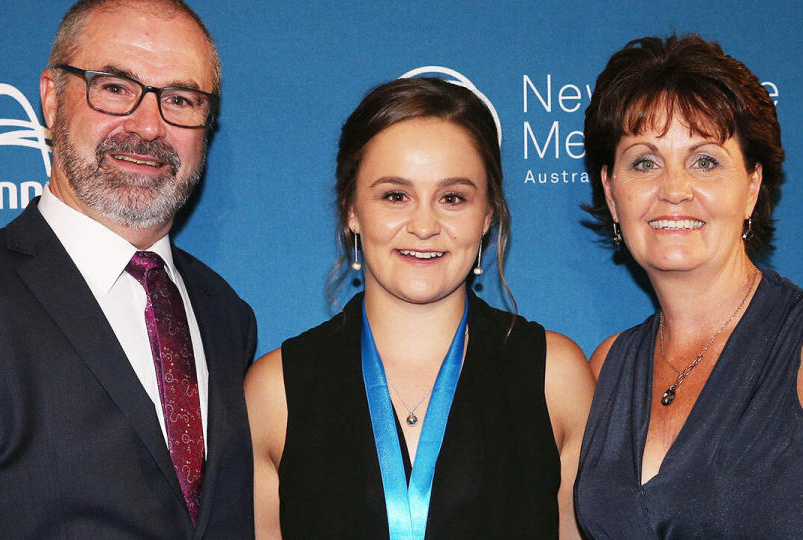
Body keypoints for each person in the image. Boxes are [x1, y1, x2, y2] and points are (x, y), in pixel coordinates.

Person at [0, 0, 257, 537]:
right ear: (53, 100)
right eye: (115, 88)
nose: (149, 125)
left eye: (180, 98)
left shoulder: (226, 315)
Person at [245, 77, 595, 539]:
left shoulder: (556, 376)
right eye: (395, 195)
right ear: (351, 208)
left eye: (453, 198)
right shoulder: (276, 391)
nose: (424, 225)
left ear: (487, 214)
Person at [574, 34, 803, 538]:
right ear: (612, 194)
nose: (673, 189)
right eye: (644, 162)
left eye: (704, 161)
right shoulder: (608, 365)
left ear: (751, 187)